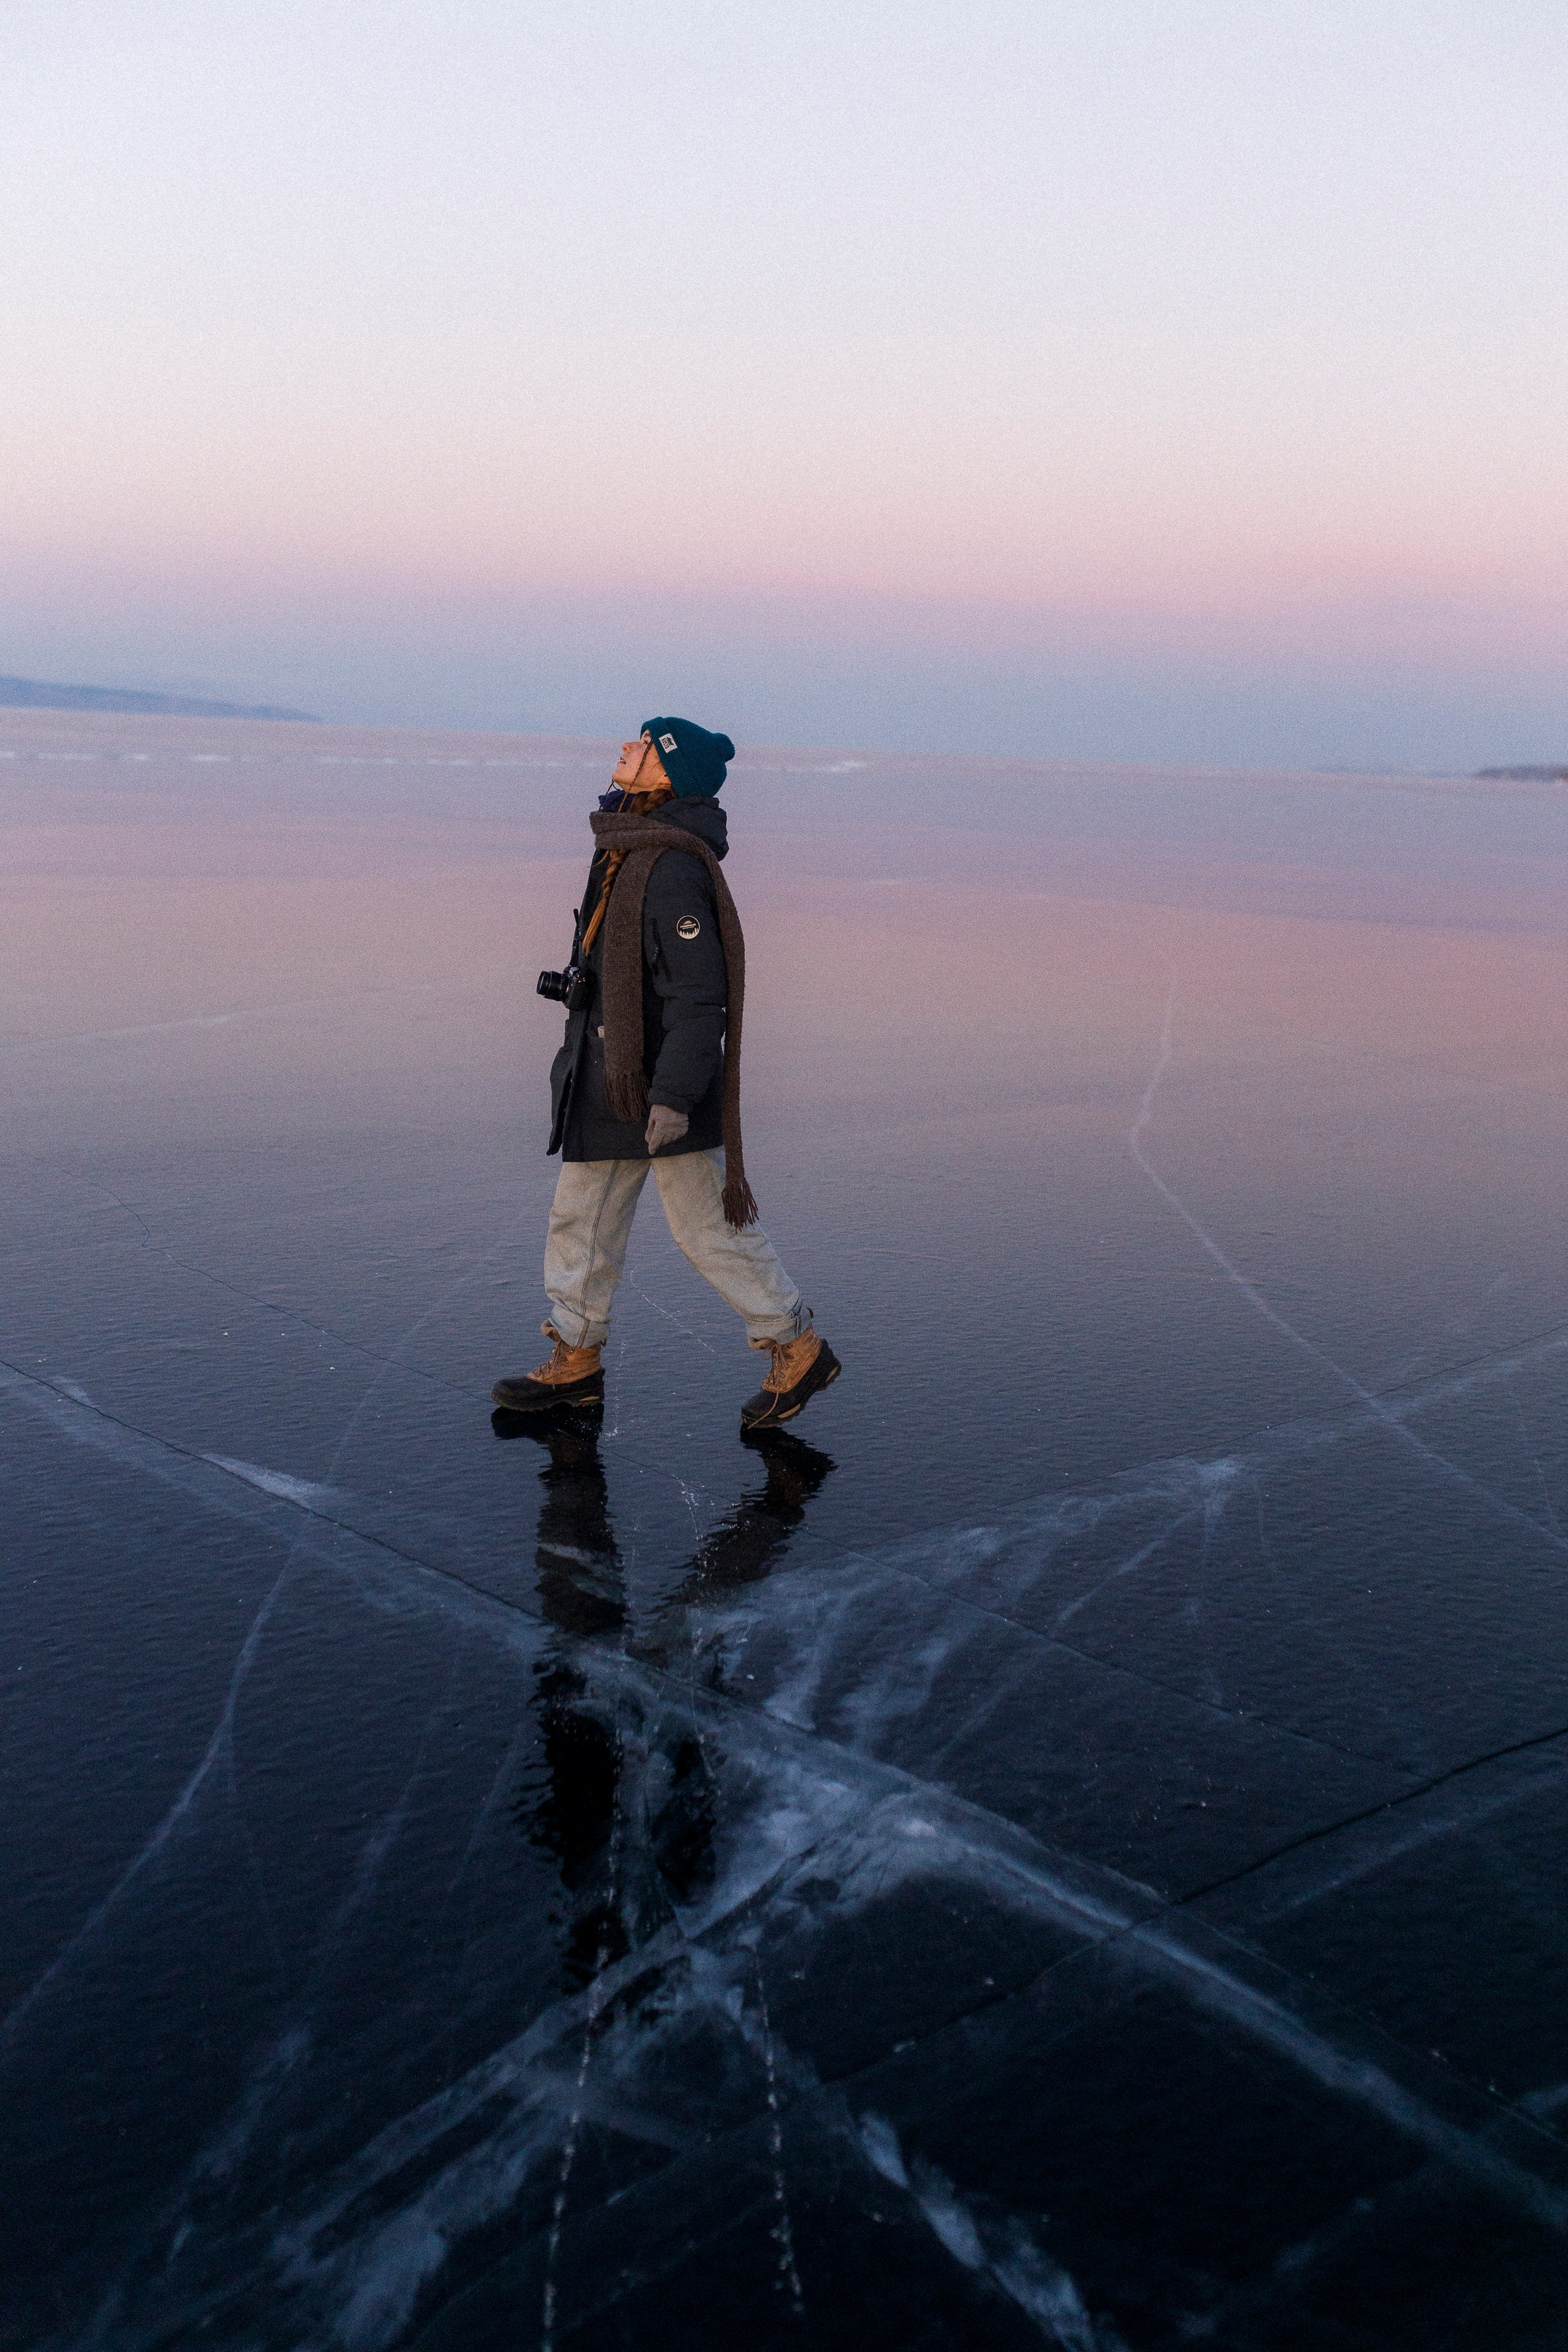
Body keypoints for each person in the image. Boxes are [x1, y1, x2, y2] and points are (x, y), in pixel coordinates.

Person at [492, 718, 840, 1431]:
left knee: (707, 1227)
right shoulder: (625, 847)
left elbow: (697, 993)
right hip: (611, 1077)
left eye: (641, 745)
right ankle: (577, 1358)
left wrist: (674, 1098)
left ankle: (797, 1345)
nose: (624, 748)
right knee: (580, 1219)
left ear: (666, 775)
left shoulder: (672, 866)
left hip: (652, 1090)